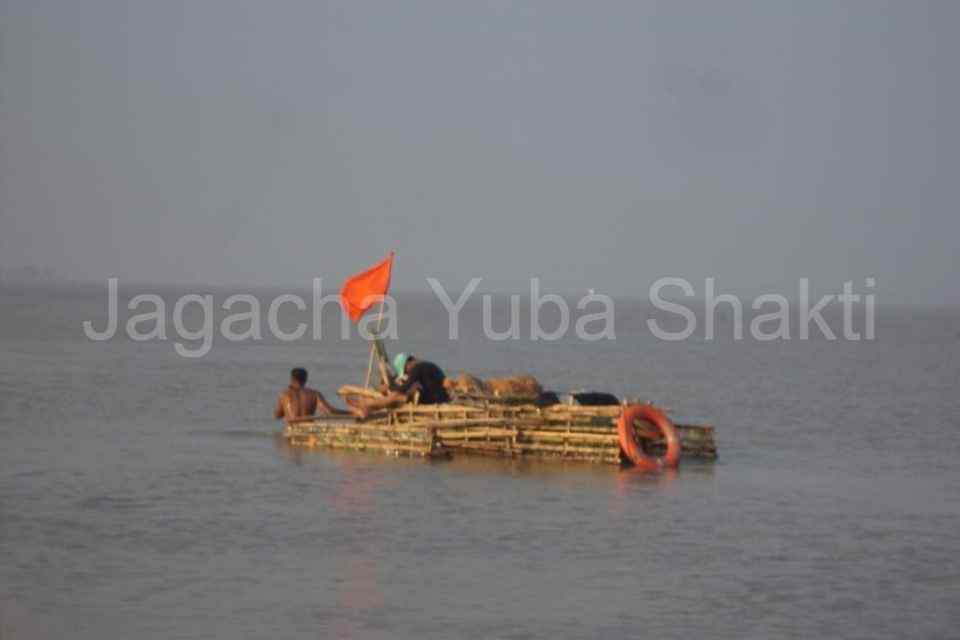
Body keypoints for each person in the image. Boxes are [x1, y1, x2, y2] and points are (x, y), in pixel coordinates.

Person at [349, 352, 449, 419]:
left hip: (434, 400)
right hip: (441, 397)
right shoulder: (429, 365)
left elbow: (405, 388)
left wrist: (390, 387)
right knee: (398, 396)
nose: (407, 373)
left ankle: (366, 405)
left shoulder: (417, 368)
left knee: (397, 396)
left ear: (407, 364)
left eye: (405, 371)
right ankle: (368, 406)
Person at [274, 367, 351, 421]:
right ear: (306, 379)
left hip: (292, 428)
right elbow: (329, 411)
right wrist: (350, 413)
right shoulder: (314, 394)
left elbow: (277, 416)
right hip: (308, 429)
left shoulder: (284, 394)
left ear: (291, 378)